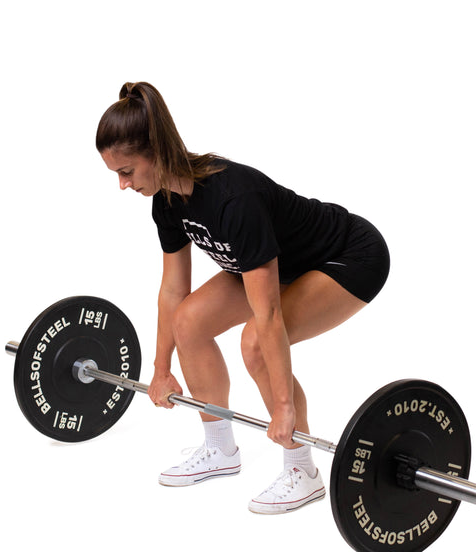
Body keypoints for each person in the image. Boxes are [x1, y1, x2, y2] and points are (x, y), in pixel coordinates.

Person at [96, 81, 390, 514]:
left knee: (255, 341)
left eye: (126, 172)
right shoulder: (166, 203)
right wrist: (160, 370)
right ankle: (220, 449)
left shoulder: (234, 201)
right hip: (279, 262)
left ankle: (301, 470)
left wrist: (284, 408)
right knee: (189, 320)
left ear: (156, 152)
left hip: (348, 257)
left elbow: (268, 313)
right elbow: (173, 290)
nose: (122, 185)